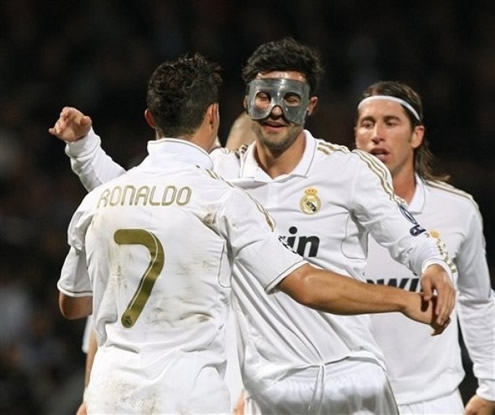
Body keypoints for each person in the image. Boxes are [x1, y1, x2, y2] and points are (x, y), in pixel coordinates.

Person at [52, 38, 456, 414]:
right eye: (264, 97)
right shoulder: (219, 176)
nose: (276, 109)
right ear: (246, 102)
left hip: (350, 375)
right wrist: (86, 149)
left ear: (310, 106)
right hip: (268, 389)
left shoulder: (347, 170)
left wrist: (431, 264)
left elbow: (408, 235)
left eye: (291, 98)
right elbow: (135, 196)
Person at [354, 81, 495, 415]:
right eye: (367, 124)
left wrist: (490, 385)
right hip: (350, 398)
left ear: (416, 135)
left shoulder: (457, 210)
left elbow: (478, 300)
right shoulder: (333, 213)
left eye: (390, 123)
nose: (377, 134)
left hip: (433, 401)